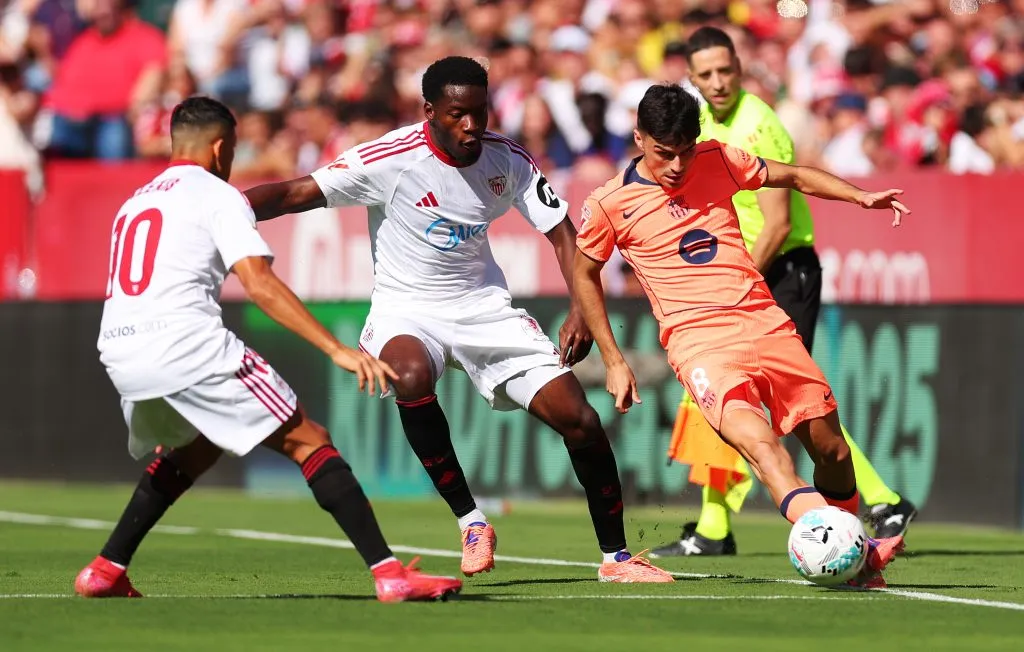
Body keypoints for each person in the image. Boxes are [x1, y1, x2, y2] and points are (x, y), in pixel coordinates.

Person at [244, 56, 673, 583]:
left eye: (479, 112)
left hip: (484, 310)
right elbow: (294, 193)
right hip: (407, 310)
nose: (471, 126)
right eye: (456, 115)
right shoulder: (390, 158)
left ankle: (616, 558)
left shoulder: (507, 159)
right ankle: (471, 521)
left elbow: (562, 231)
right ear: (430, 112)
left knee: (579, 420)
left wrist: (581, 306)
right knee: (409, 377)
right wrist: (224, 210)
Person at [75, 96, 462, 603]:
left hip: (120, 350)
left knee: (200, 444)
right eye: (231, 149)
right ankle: (390, 574)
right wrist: (336, 348)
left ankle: (105, 570)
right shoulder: (218, 194)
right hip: (185, 344)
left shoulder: (136, 202)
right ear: (219, 148)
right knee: (309, 439)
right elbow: (258, 283)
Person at [572, 83, 909, 588]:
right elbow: (584, 274)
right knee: (764, 450)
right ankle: (844, 545)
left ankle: (852, 551)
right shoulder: (609, 204)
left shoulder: (719, 158)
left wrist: (858, 196)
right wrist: (614, 359)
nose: (678, 165)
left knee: (833, 451)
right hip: (701, 345)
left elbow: (792, 176)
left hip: (765, 322)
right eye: (665, 153)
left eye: (687, 150)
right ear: (639, 138)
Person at [650, 27, 916, 558]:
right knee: (724, 401)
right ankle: (714, 527)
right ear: (692, 78)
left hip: (777, 269)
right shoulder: (703, 127)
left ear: (740, 67)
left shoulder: (756, 125)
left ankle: (879, 500)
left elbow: (774, 222)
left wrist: (732, 282)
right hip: (747, 274)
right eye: (706, 75)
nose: (718, 82)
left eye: (725, 70)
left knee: (788, 404)